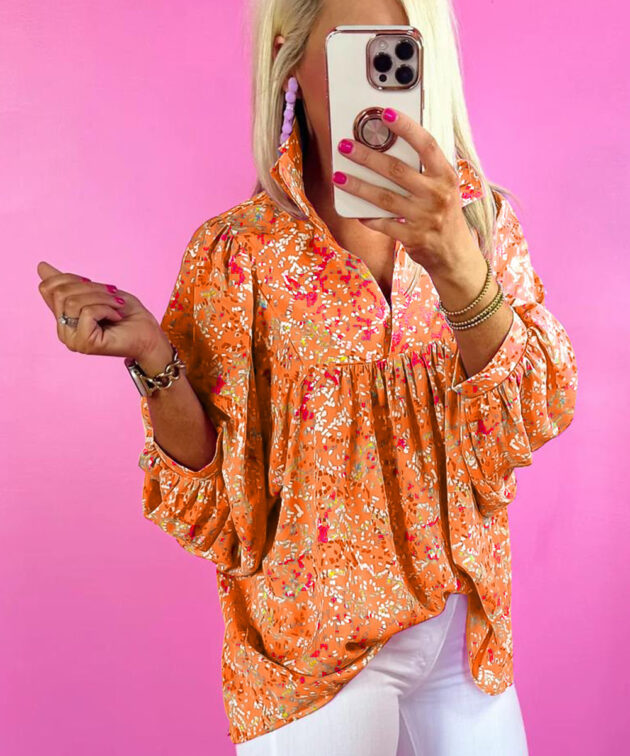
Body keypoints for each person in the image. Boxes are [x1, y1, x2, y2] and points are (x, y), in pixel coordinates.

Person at [36, 0, 578, 753]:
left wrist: (456, 261)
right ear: (286, 55)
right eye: (357, 49)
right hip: (314, 658)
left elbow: (527, 420)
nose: (381, 83)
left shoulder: (479, 223)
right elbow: (220, 501)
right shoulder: (238, 254)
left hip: (464, 641)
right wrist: (155, 360)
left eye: (400, 50)